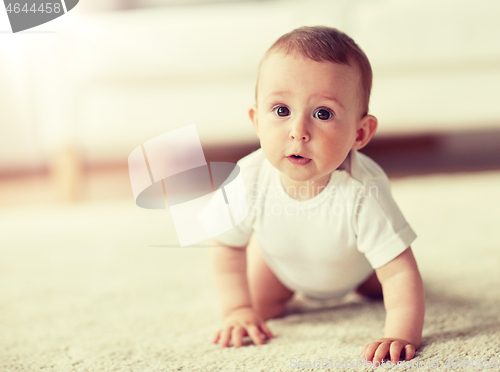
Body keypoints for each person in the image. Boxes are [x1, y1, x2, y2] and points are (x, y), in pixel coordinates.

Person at [208, 26, 424, 365]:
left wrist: (400, 333)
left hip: (357, 265)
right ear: (255, 120)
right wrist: (237, 309)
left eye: (323, 114)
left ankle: (366, 282)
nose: (298, 132)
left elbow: (399, 271)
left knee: (387, 288)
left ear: (360, 132)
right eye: (281, 111)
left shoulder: (363, 189)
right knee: (258, 308)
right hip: (280, 265)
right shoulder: (248, 178)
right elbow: (227, 244)